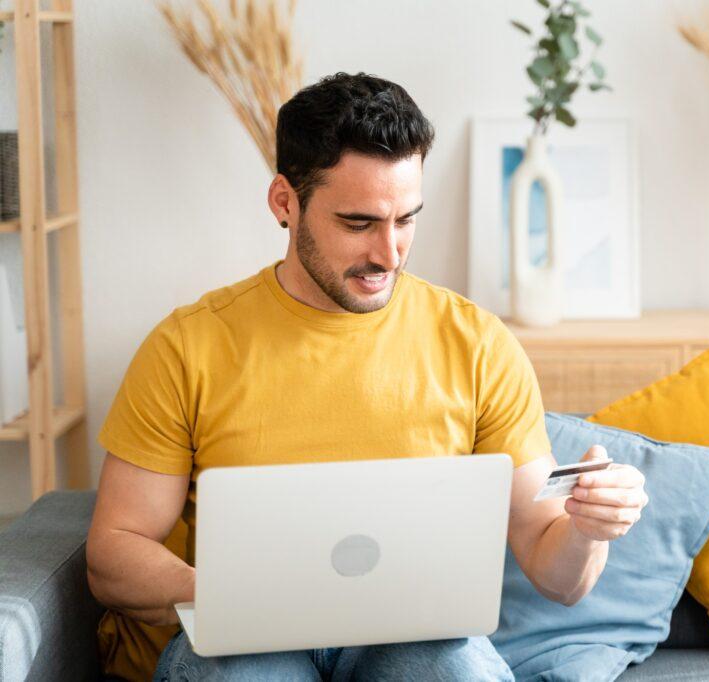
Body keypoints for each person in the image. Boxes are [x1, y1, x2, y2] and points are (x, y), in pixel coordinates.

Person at [85, 71, 649, 682]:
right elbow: (113, 555)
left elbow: (555, 571)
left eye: (406, 219)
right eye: (359, 223)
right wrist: (230, 598)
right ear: (284, 202)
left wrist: (589, 531)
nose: (390, 253)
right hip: (243, 644)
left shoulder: (478, 343)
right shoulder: (189, 346)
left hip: (413, 640)